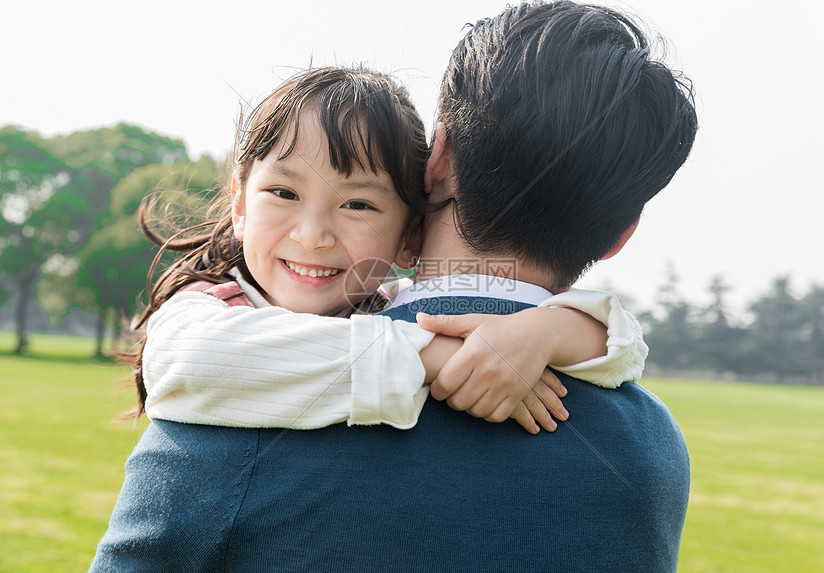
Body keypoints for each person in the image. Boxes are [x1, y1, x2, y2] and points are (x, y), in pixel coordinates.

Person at [90, 2, 697, 571]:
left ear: (436, 162)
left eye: (354, 202)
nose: (312, 235)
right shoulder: (654, 453)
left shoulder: (244, 399)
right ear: (622, 233)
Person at [131, 66, 645, 437]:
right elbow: (194, 362)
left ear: (410, 236)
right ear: (240, 206)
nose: (313, 236)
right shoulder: (209, 308)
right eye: (284, 193)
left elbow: (625, 346)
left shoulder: (393, 305)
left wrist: (547, 332)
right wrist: (436, 356)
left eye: (357, 204)